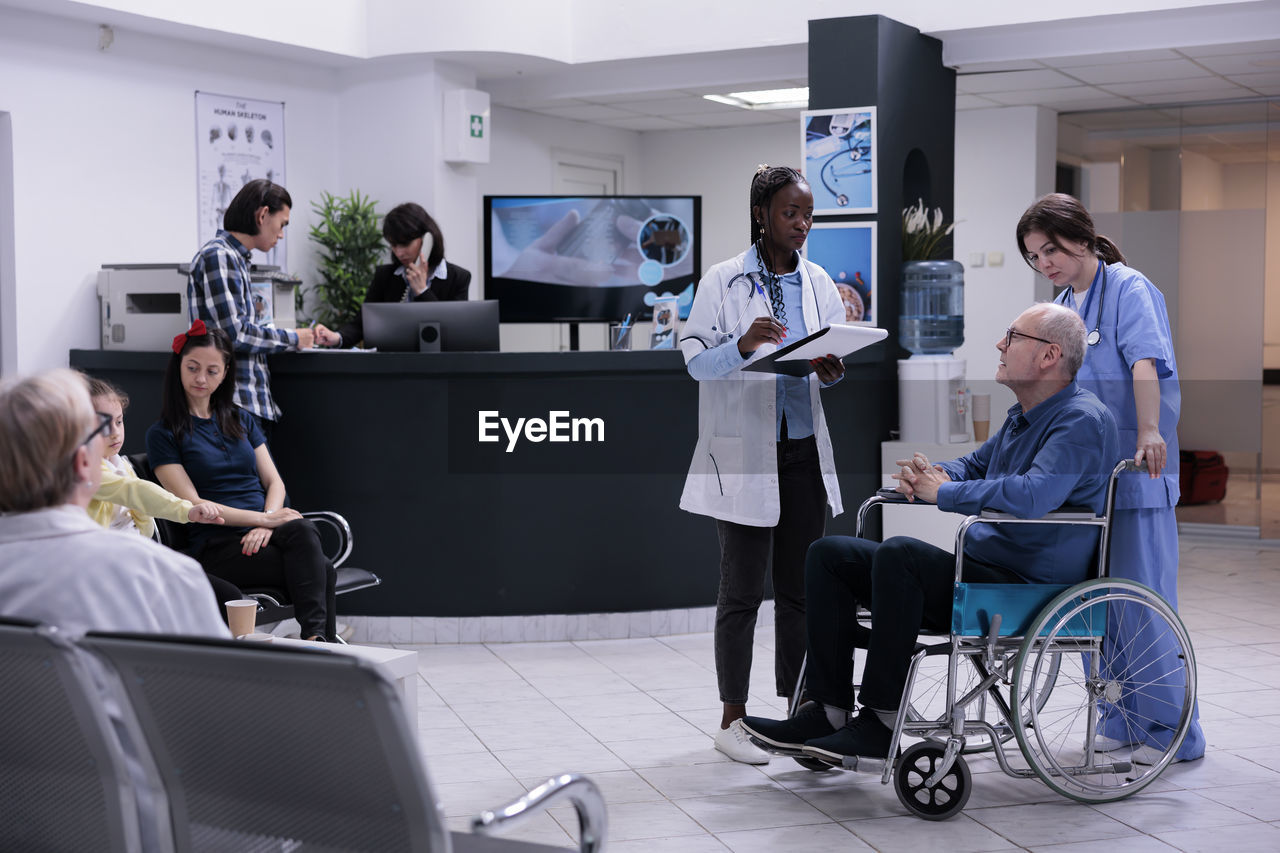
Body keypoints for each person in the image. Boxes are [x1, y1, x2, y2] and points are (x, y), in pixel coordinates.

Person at [741, 304, 1120, 763]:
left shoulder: (1081, 419)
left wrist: (944, 492)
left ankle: (879, 723)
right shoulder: (1024, 414)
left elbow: (1034, 495)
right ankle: (828, 710)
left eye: (1012, 337)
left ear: (1048, 356)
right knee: (829, 554)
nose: (1000, 345)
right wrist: (934, 473)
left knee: (901, 555)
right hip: (982, 574)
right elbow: (975, 464)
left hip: (1027, 589)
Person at [1017, 192, 1204, 762]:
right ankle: (1123, 718)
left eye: (1051, 248)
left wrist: (1150, 430)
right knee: (1099, 610)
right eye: (1033, 255)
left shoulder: (1129, 288)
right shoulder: (1063, 304)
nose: (1045, 262)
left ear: (1082, 236)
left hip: (1136, 474)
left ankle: (1171, 735)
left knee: (1143, 604)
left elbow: (1144, 362)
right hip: (1089, 484)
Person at [679, 165, 848, 764]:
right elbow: (697, 363)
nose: (801, 225)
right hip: (747, 457)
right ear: (761, 214)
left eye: (808, 215)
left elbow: (831, 346)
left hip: (801, 452)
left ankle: (800, 717)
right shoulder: (722, 282)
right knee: (742, 591)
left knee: (802, 592)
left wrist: (832, 366)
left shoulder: (818, 281)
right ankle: (733, 718)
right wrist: (743, 345)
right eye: (789, 213)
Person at [0, 369, 229, 639]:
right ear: (84, 462)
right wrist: (186, 509)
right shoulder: (164, 577)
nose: (113, 434)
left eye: (119, 422)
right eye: (99, 432)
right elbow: (217, 676)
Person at [145, 322, 336, 643]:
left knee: (302, 529)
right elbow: (194, 505)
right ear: (178, 366)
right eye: (192, 368)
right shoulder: (163, 434)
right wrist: (265, 519)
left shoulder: (241, 419)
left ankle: (315, 640)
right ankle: (320, 645)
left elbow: (274, 482)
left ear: (225, 373)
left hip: (265, 535)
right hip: (219, 545)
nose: (201, 379)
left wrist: (268, 524)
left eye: (211, 370)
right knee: (323, 568)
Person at [187, 178, 338, 439]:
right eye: (282, 225)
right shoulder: (220, 256)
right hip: (233, 405)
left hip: (245, 404)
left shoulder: (236, 259)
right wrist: (293, 338)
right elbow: (234, 335)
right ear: (263, 215)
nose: (280, 234)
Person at [334, 202, 472, 348]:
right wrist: (336, 338)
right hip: (390, 363)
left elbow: (452, 334)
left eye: (405, 244)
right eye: (393, 245)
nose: (399, 253)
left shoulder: (458, 278)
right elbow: (363, 323)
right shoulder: (385, 275)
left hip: (438, 365)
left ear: (427, 240)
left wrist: (422, 291)